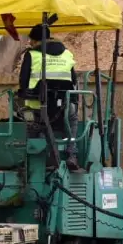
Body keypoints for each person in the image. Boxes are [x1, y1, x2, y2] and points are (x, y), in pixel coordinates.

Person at [17, 23, 80, 170]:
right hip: (62, 106)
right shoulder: (67, 54)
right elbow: (74, 81)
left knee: (31, 125)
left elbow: (23, 81)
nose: (31, 44)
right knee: (73, 119)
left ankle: (32, 159)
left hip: (37, 106)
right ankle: (72, 154)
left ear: (37, 40)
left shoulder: (31, 54)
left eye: (32, 41)